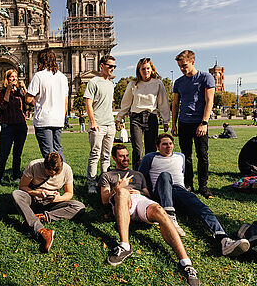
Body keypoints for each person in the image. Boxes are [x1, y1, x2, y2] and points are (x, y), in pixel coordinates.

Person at [99, 144, 199, 285]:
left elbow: (147, 193)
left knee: (159, 211)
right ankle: (125, 246)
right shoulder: (107, 175)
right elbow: (104, 200)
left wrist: (139, 192)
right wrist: (118, 188)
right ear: (114, 158)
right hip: (122, 201)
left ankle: (186, 263)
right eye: (121, 156)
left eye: (127, 156)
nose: (125, 159)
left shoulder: (138, 174)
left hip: (140, 200)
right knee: (122, 192)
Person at [139, 133, 250, 257]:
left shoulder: (180, 157)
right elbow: (140, 176)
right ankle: (170, 217)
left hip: (180, 191)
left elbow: (182, 175)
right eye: (164, 144)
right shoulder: (150, 157)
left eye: (170, 143)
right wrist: (144, 191)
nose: (168, 146)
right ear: (157, 146)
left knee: (203, 208)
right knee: (165, 175)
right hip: (161, 192)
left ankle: (223, 239)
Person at [12, 152, 85, 252]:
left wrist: (58, 199)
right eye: (49, 173)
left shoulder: (67, 169)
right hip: (33, 199)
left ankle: (43, 217)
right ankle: (41, 230)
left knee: (79, 206)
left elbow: (69, 193)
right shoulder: (34, 165)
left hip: (52, 202)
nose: (52, 175)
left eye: (55, 174)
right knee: (16, 194)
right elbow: (22, 187)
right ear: (44, 165)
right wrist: (37, 193)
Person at [172, 50, 215, 198]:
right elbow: (175, 104)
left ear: (193, 62)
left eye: (184, 65)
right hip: (184, 122)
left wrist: (204, 122)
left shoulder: (206, 78)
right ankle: (188, 184)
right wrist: (174, 124)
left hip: (199, 122)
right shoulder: (178, 82)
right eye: (179, 66)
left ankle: (203, 186)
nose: (182, 69)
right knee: (186, 156)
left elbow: (209, 101)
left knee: (202, 155)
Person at [116, 58, 170, 170]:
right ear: (139, 70)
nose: (146, 71)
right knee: (137, 149)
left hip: (151, 117)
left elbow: (163, 103)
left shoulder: (158, 83)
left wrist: (166, 121)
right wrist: (119, 117)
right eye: (143, 69)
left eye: (148, 68)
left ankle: (151, 175)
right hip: (136, 118)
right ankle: (137, 175)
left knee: (151, 149)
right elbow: (126, 102)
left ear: (152, 69)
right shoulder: (133, 83)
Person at [26, 49, 68, 161]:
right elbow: (65, 101)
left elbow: (28, 98)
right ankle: (65, 175)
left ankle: (56, 177)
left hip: (44, 119)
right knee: (58, 150)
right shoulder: (63, 78)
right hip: (58, 120)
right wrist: (62, 117)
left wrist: (38, 103)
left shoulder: (39, 76)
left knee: (48, 154)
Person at [83, 55, 116, 193]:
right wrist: (93, 122)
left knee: (106, 156)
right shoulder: (93, 82)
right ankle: (91, 184)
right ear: (101, 65)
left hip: (110, 125)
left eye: (114, 66)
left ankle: (104, 182)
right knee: (95, 155)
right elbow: (88, 103)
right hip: (98, 125)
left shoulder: (111, 83)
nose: (112, 69)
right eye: (110, 66)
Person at [0, 69, 28, 186]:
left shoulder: (20, 92)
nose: (14, 79)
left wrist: (25, 89)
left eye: (15, 77)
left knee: (17, 153)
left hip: (20, 125)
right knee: (4, 153)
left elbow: (30, 102)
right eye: (11, 77)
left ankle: (16, 175)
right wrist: (8, 90)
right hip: (7, 126)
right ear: (6, 79)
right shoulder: (0, 92)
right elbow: (3, 105)